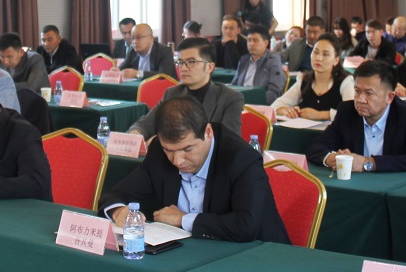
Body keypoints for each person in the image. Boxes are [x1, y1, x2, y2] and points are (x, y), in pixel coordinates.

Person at [102, 96, 289, 243]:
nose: (177, 161)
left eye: (187, 149)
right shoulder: (159, 151)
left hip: (259, 256)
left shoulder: (241, 158)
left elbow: (246, 225)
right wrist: (118, 211)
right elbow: (113, 195)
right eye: (169, 150)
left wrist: (182, 219)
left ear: (208, 132)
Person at [306, 60, 406, 173]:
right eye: (357, 91)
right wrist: (332, 158)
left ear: (389, 97)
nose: (360, 99)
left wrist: (368, 163)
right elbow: (316, 147)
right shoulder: (347, 111)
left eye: (369, 93)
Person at [128, 38, 244, 140]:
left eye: (191, 62)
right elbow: (144, 124)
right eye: (180, 62)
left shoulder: (229, 98)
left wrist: (160, 140)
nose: (183, 68)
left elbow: (229, 140)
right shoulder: (172, 93)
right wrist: (136, 134)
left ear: (209, 67)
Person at [272, 34, 354, 121]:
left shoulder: (345, 81)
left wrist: (321, 115)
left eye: (325, 54)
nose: (318, 58)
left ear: (336, 60)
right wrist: (282, 110)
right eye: (315, 52)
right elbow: (277, 104)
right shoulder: (305, 79)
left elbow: (351, 112)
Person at [231, 27, 286, 105]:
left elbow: (275, 92)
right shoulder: (244, 60)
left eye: (255, 40)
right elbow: (234, 85)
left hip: (259, 104)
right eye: (249, 40)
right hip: (240, 102)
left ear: (266, 43)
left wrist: (253, 100)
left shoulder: (273, 61)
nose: (251, 44)